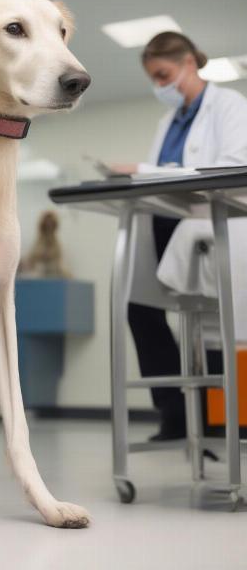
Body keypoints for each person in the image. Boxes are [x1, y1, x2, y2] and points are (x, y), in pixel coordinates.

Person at [110, 32, 247, 441]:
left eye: (164, 75)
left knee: (209, 322)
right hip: (166, 222)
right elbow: (163, 172)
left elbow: (232, 168)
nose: (160, 86)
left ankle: (219, 419)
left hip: (213, 227)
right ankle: (175, 412)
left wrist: (144, 170)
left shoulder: (229, 107)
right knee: (140, 310)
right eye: (154, 79)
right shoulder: (168, 120)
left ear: (190, 63)